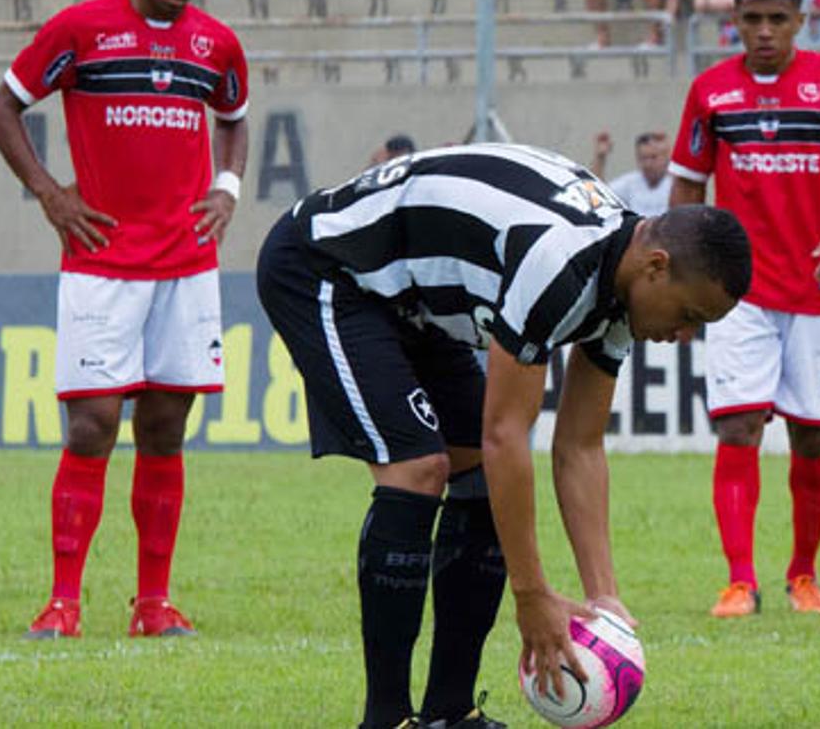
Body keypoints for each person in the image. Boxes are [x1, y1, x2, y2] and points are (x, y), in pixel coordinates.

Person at [257, 144, 750, 729]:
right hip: (327, 269)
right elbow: (505, 437)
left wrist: (604, 599)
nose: (684, 334)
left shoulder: (622, 289)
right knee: (420, 468)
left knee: (478, 482)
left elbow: (580, 447)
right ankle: (385, 718)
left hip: (414, 299)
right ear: (656, 266)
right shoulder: (560, 264)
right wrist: (532, 595)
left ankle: (450, 712)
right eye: (690, 314)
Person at [0, 0, 250, 643]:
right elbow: (2, 106)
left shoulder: (216, 45)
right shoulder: (82, 30)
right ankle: (63, 601)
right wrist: (49, 192)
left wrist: (226, 189)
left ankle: (153, 604)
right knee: (94, 423)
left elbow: (235, 117)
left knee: (165, 425)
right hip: (101, 260)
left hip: (187, 263)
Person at [669, 0, 820, 618]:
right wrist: (685, 281)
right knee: (738, 425)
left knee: (812, 435)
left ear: (801, 18)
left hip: (818, 285)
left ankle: (803, 574)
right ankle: (740, 579)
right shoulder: (711, 90)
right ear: (734, 19)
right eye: (751, 19)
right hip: (739, 292)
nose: (764, 32)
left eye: (777, 19)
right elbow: (686, 186)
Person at [592, 130, 676, 216]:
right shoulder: (630, 183)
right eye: (643, 158)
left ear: (666, 156)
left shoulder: (675, 184)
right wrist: (600, 157)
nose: (648, 164)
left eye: (653, 157)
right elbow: (599, 196)